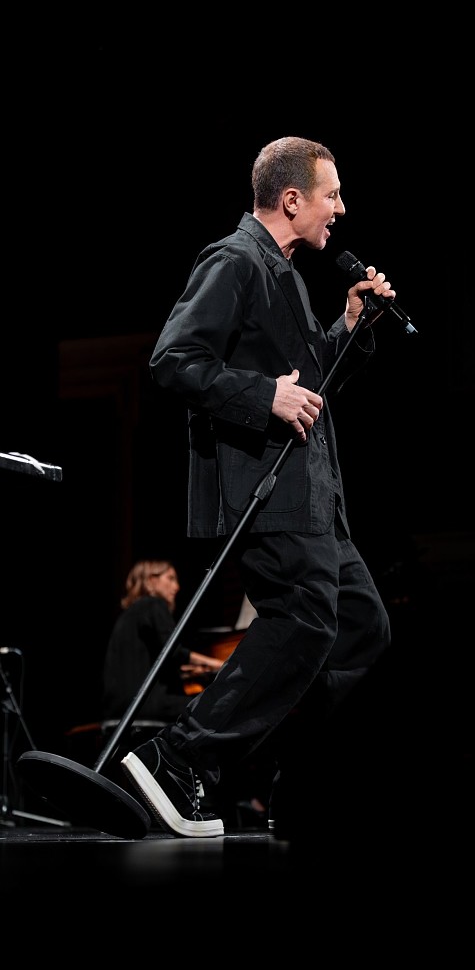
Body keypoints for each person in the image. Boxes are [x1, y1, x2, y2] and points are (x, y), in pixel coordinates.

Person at [121, 135, 395, 840]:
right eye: (332, 194)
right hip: (269, 490)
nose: (341, 208)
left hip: (317, 495)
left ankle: (287, 781)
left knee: (360, 625)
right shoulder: (234, 260)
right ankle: (180, 757)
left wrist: (350, 325)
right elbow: (174, 359)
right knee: (302, 617)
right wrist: (262, 395)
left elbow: (311, 387)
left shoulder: (288, 276)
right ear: (292, 198)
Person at [102, 559, 223, 726]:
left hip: (119, 709)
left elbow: (152, 661)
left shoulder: (128, 614)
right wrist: (218, 664)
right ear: (151, 580)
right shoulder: (154, 603)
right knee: (217, 706)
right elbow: (173, 651)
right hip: (147, 706)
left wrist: (191, 670)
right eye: (170, 578)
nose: (177, 587)